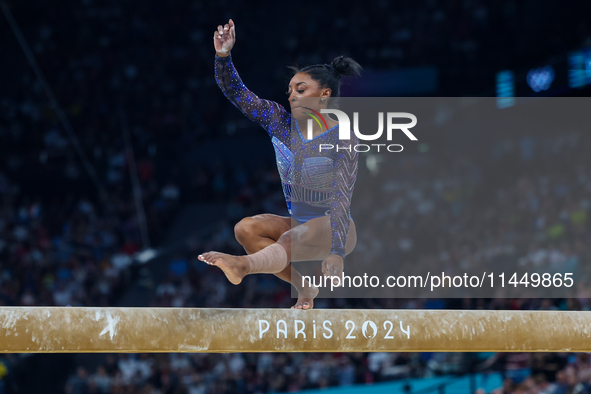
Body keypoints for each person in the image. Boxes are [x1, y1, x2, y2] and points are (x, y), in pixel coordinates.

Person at [198, 19, 361, 309]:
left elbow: (342, 198)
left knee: (292, 235)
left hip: (338, 228)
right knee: (245, 229)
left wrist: (337, 252)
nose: (291, 95)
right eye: (290, 90)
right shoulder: (279, 122)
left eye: (300, 89)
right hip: (298, 224)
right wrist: (223, 57)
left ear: (324, 95)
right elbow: (238, 95)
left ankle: (243, 266)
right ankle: (303, 285)